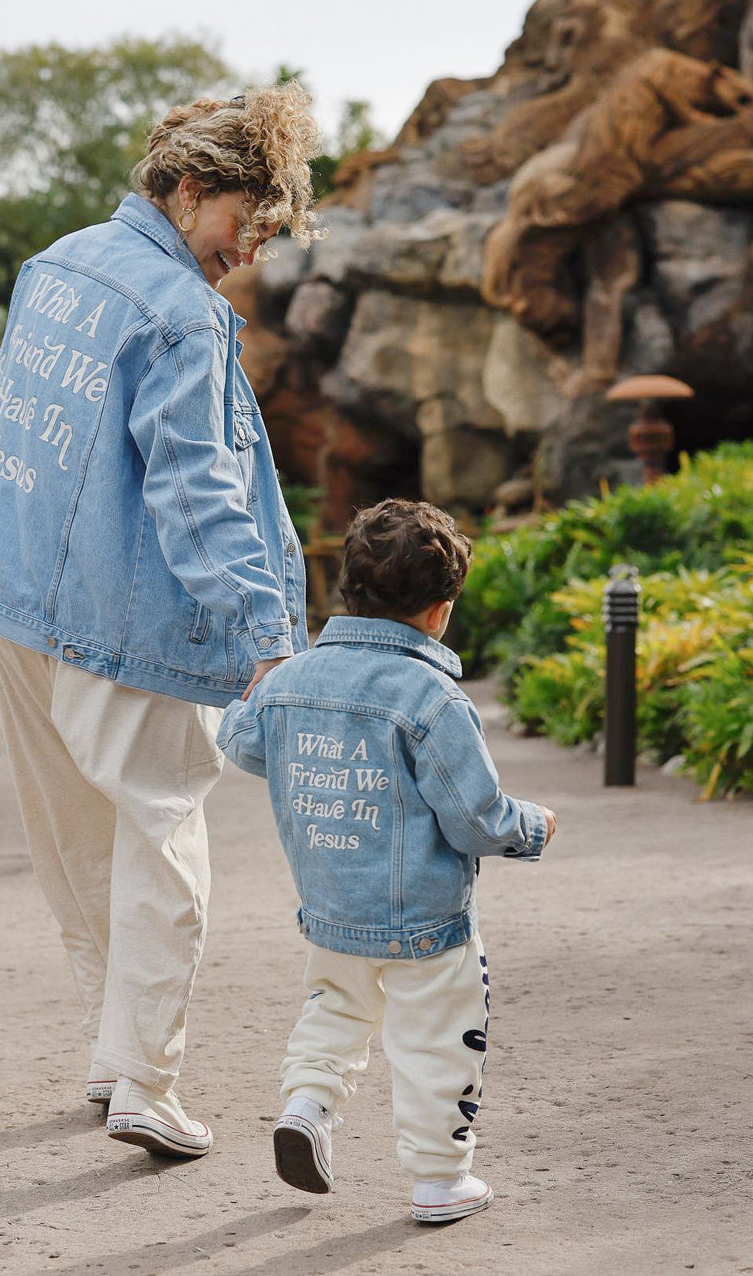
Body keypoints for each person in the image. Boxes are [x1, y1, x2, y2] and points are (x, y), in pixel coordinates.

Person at [0, 83, 321, 1159]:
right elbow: (196, 487)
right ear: (190, 186)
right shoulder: (181, 315)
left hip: (17, 598)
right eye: (243, 223)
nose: (249, 251)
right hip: (122, 616)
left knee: (77, 838)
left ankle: (114, 1056)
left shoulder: (57, 264)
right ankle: (146, 1082)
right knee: (160, 833)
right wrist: (265, 637)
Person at [217, 498, 558, 1220]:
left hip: (333, 909)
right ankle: (439, 1180)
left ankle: (308, 1106)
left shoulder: (293, 681)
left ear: (349, 590)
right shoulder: (433, 698)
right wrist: (531, 826)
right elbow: (474, 819)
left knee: (334, 1010)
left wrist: (254, 698)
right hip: (428, 922)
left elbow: (246, 743)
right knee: (439, 1041)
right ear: (440, 611)